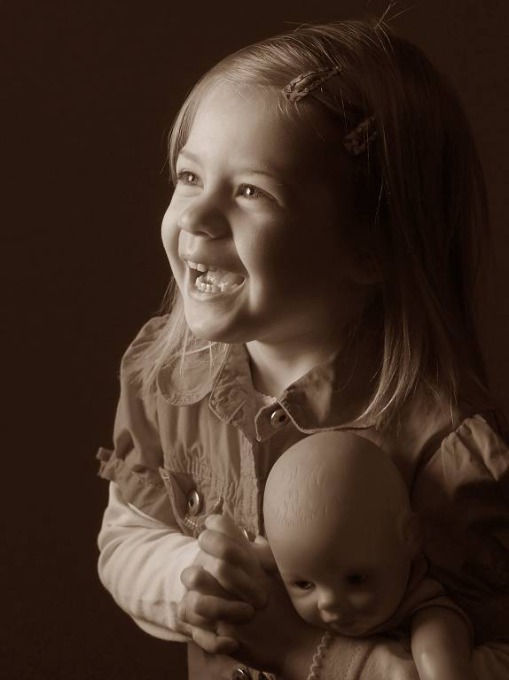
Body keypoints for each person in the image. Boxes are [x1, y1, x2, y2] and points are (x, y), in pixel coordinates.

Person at [96, 16, 509, 680]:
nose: (195, 217)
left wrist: (318, 655)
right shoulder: (168, 380)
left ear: (370, 246)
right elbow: (127, 537)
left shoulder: (442, 446)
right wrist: (190, 581)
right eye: (189, 177)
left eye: (251, 191)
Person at [262, 431, 477, 680]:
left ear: (410, 538)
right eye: (304, 584)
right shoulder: (288, 613)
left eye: (355, 579)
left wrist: (438, 659)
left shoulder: (430, 620)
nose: (328, 602)